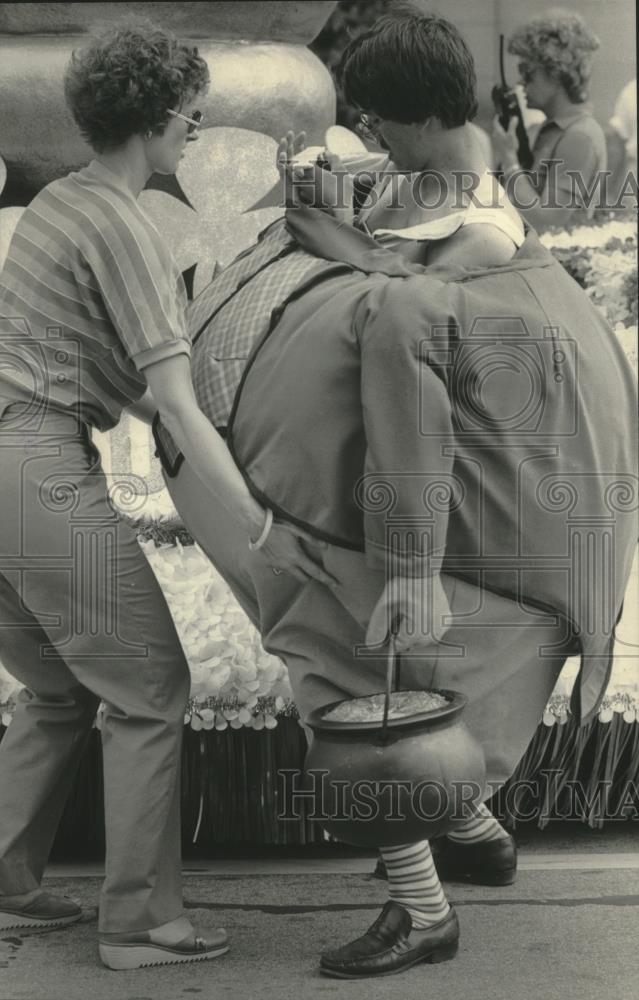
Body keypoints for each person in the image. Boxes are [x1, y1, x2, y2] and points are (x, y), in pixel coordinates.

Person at [157, 9, 637, 979]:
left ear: (401, 120)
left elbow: (405, 374)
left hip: (420, 530)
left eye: (373, 124)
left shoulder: (463, 245)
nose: (367, 143)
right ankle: (472, 823)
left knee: (356, 692)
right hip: (420, 509)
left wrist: (413, 565)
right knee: (401, 690)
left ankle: (423, 911)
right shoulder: (448, 182)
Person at [0, 21, 333, 971]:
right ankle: (140, 925)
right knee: (150, 689)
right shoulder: (127, 226)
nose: (197, 130)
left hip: (6, 469)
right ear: (156, 116)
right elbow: (178, 410)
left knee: (62, 687)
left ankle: (9, 883)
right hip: (30, 465)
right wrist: (265, 528)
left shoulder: (62, 204)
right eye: (191, 112)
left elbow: (134, 385)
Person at [492, 9, 607, 231]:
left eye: (527, 72)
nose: (521, 82)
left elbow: (548, 223)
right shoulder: (548, 130)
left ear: (556, 71)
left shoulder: (579, 137)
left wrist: (509, 162)